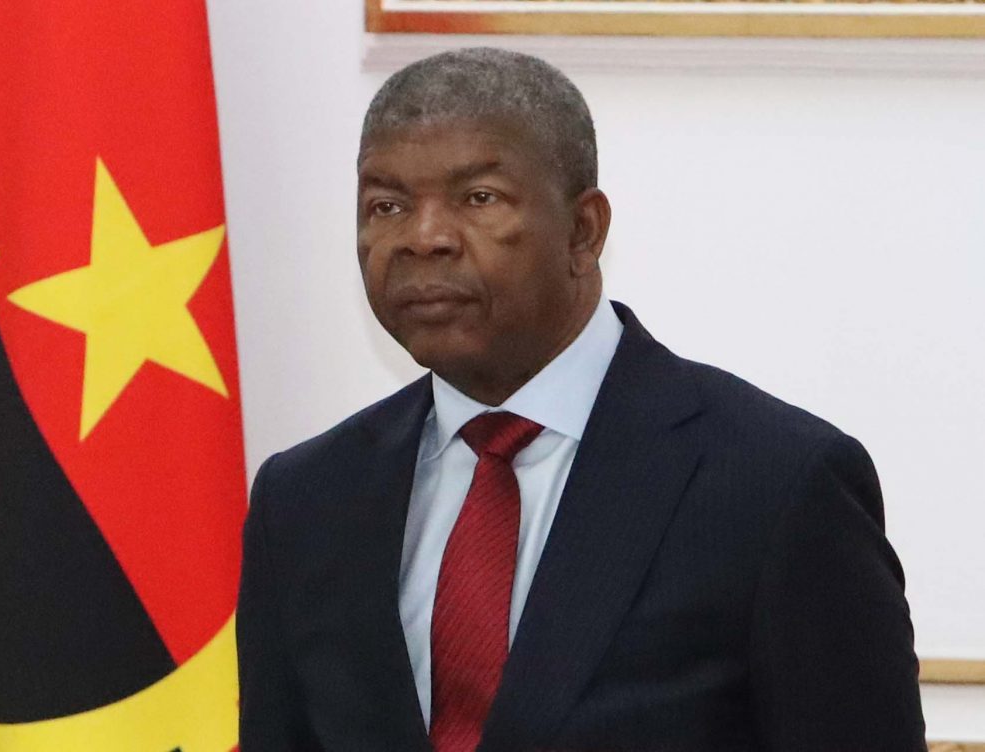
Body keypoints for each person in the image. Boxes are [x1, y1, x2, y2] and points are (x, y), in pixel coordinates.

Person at [236, 47, 926, 751]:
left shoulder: (775, 485)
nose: (424, 238)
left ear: (583, 231)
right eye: (387, 206)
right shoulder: (307, 500)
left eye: (479, 198)